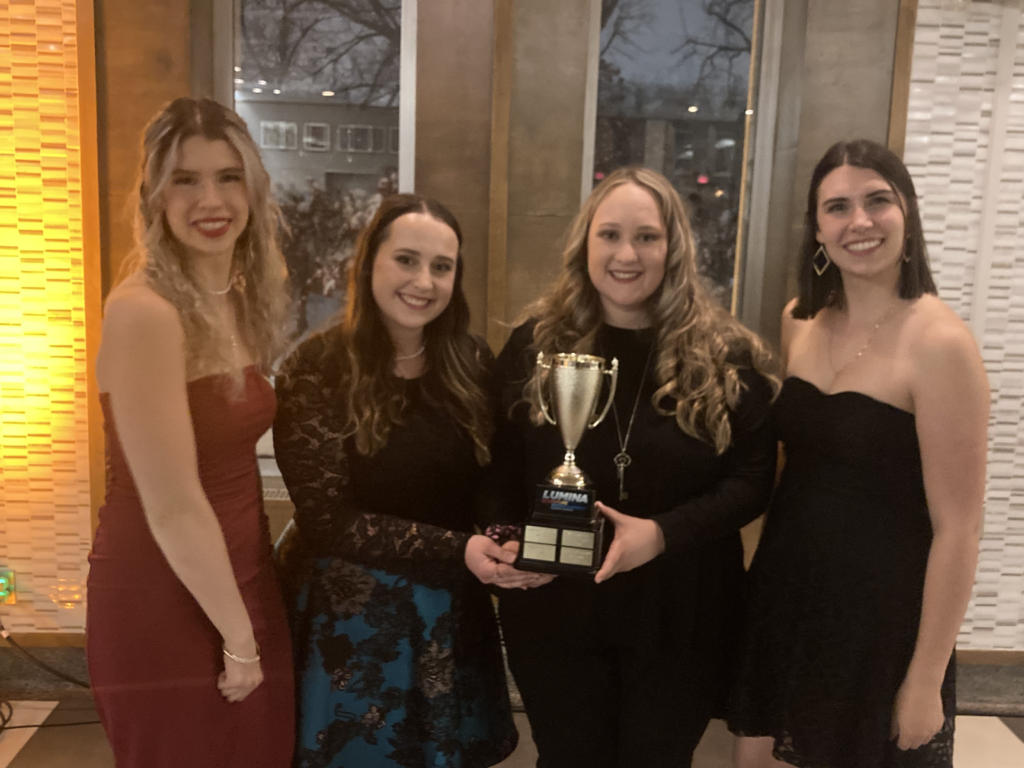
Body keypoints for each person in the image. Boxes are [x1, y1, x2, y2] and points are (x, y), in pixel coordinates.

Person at [480, 166, 779, 767]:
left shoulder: (726, 356)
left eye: (647, 236)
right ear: (584, 244)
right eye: (609, 235)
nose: (626, 254)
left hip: (682, 610)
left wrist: (662, 534)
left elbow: (751, 482)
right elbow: (496, 465)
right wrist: (500, 538)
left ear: (674, 249)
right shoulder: (535, 346)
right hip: (556, 608)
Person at [729, 139, 988, 768]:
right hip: (787, 590)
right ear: (818, 229)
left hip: (879, 616)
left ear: (908, 214)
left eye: (878, 201)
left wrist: (925, 679)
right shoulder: (800, 319)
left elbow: (959, 529)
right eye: (838, 207)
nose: (860, 221)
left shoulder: (941, 343)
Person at [273, 194, 538, 768]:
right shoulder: (314, 368)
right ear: (369, 262)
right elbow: (326, 521)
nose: (424, 281)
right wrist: (462, 547)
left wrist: (501, 533)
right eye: (407, 260)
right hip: (348, 624)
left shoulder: (470, 361)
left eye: (442, 267)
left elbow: (490, 475)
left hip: (448, 609)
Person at [86, 97, 295, 767]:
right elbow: (172, 506)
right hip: (163, 593)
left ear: (254, 187)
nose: (211, 198)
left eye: (228, 176)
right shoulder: (144, 312)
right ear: (155, 193)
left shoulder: (238, 297)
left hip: (241, 577)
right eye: (186, 179)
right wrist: (238, 637)